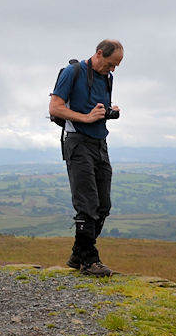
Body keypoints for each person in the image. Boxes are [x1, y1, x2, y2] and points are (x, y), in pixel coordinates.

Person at [48, 40, 124, 277]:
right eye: (111, 64)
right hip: (77, 142)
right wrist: (87, 118)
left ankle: (78, 253)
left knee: (103, 205)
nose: (112, 70)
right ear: (99, 53)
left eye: (117, 66)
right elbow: (55, 107)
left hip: (100, 143)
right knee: (87, 203)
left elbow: (96, 107)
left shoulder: (107, 78)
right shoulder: (73, 72)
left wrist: (109, 112)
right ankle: (89, 260)